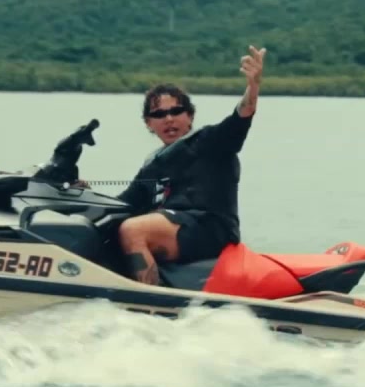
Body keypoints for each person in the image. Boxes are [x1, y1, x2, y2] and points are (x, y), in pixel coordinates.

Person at [112, 45, 266, 285]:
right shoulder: (153, 165)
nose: (169, 119)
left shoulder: (210, 141)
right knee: (110, 227)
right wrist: (79, 193)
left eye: (176, 111)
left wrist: (253, 87)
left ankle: (151, 299)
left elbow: (242, 114)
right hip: (176, 227)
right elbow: (122, 204)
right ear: (149, 123)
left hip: (210, 228)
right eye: (159, 114)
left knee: (133, 230)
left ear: (190, 116)